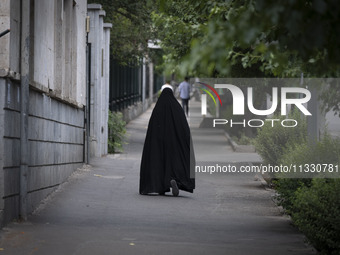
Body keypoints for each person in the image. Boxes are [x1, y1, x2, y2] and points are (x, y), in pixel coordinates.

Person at [139, 81, 195, 196]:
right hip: (174, 144)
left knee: (159, 160)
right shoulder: (177, 108)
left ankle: (160, 185)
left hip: (158, 143)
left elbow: (151, 132)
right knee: (173, 161)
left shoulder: (157, 109)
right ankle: (173, 179)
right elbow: (184, 128)